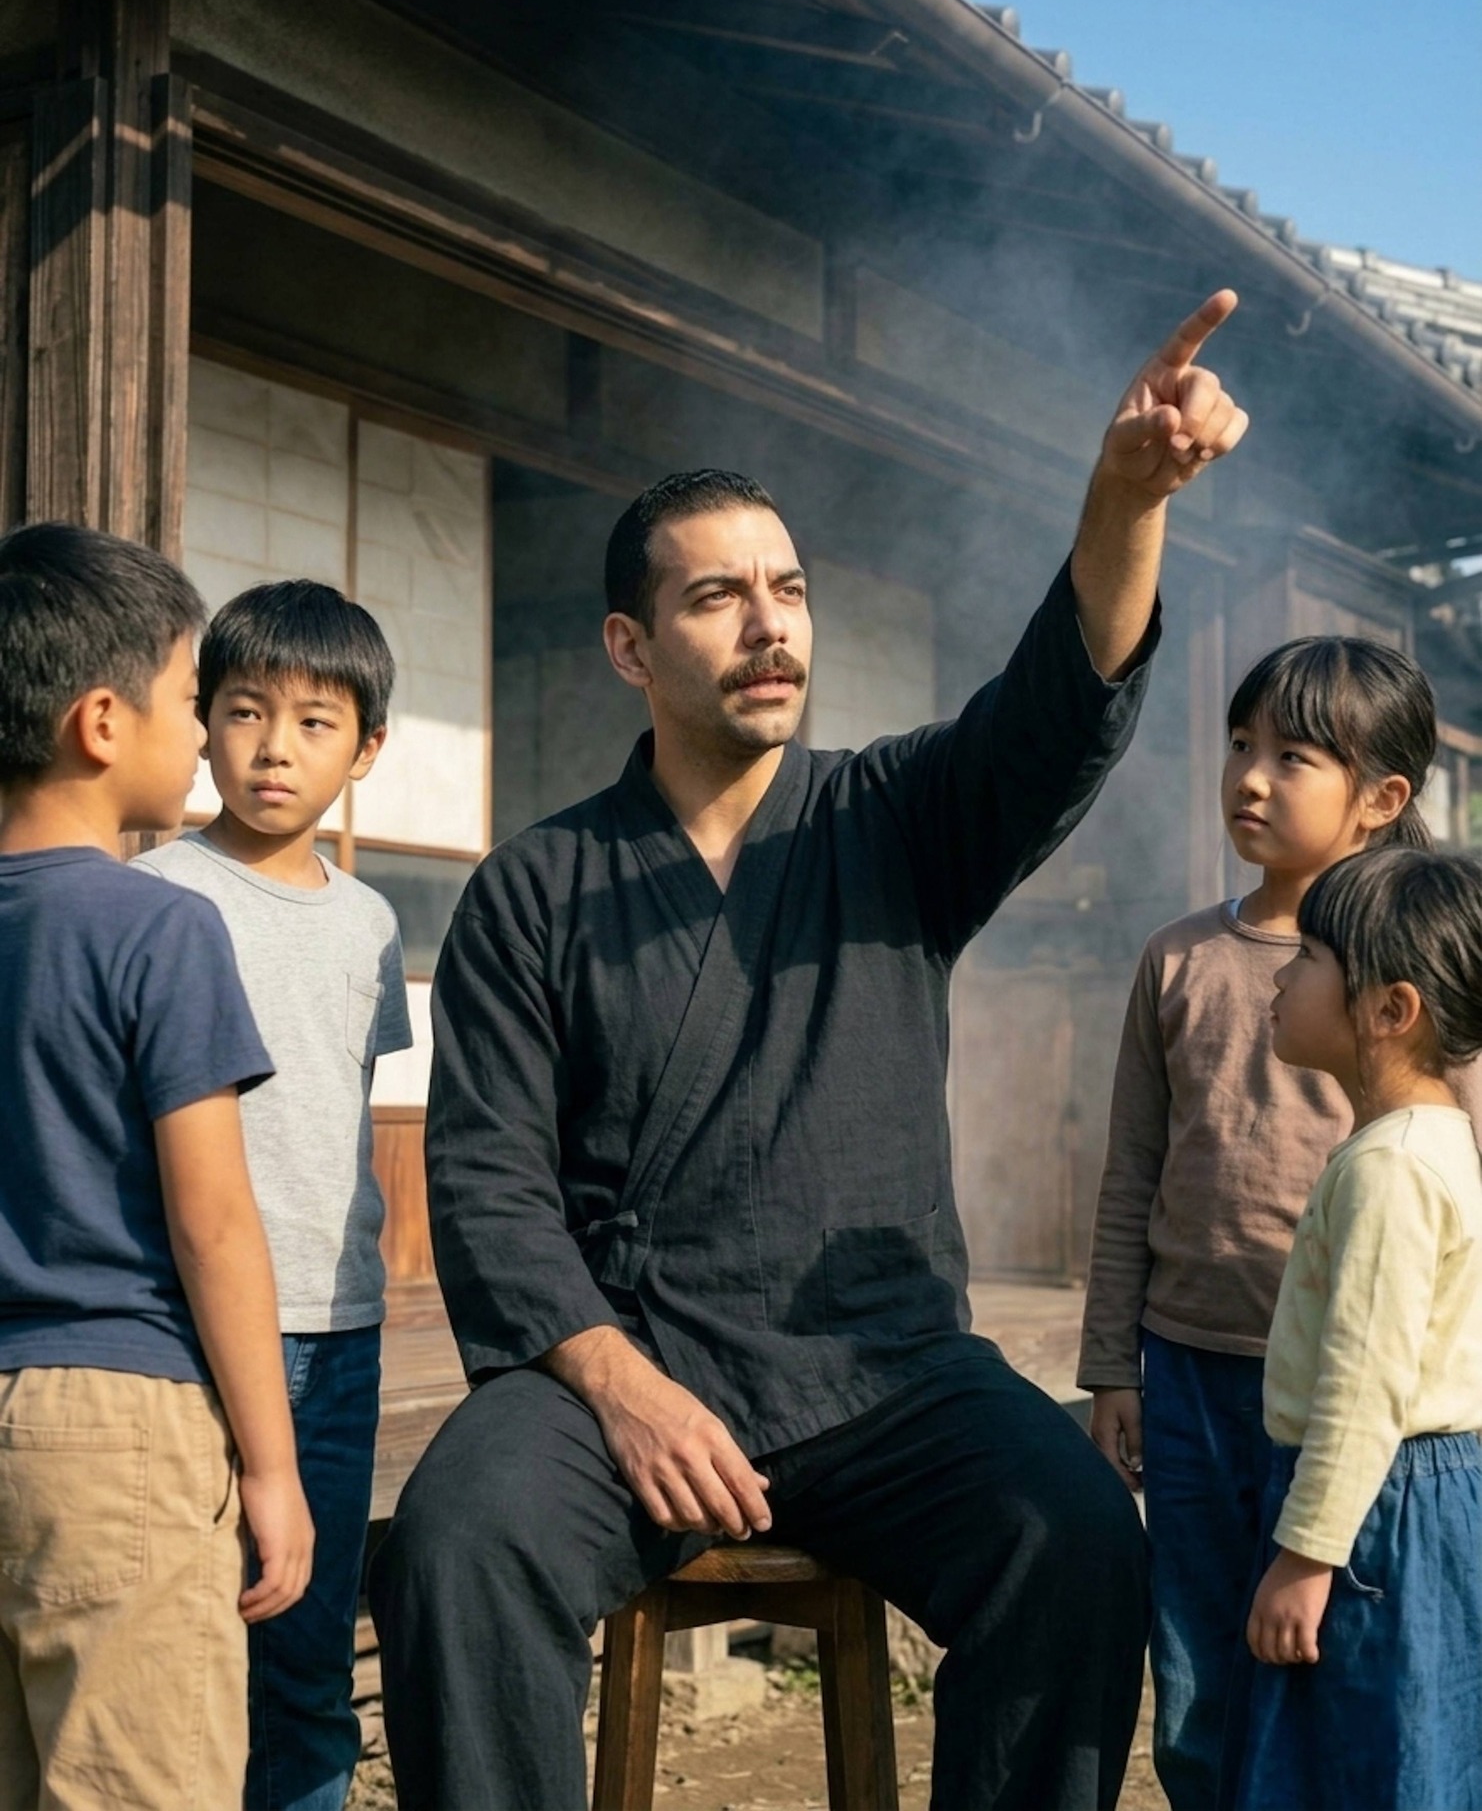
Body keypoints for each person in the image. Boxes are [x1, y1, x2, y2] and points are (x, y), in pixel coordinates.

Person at [371, 292, 1251, 1811]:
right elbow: (489, 1184)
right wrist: (613, 1381)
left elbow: (1054, 710)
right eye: (718, 598)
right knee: (457, 1536)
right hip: (628, 1365)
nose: (771, 623)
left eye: (787, 587)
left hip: (883, 1367)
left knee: (1076, 1538)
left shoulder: (890, 817)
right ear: (628, 644)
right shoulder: (539, 884)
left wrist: (1123, 498)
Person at [1076, 635, 1444, 1809]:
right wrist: (1109, 1364)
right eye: (1242, 744)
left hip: (1344, 1395)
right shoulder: (1179, 957)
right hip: (1186, 1371)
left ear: (1381, 799)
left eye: (1293, 756)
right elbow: (1133, 1167)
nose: (1249, 776)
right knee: (1192, 1677)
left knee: (1334, 1665)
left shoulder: (1406, 978)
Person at [0, 522, 313, 1810]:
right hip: (115, 1427)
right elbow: (216, 1225)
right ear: (100, 722)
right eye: (192, 701)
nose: (204, 736)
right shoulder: (160, 925)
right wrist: (274, 1466)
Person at [137, 579, 413, 1811]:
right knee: (185, 1646)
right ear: (200, 722)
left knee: (307, 1652)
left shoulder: (368, 922)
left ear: (367, 748)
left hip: (341, 1326)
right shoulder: (156, 895)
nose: (272, 747)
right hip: (187, 1327)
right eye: (245, 711)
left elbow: (347, 1109)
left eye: (313, 721)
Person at [1222, 848, 1482, 1811]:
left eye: (1311, 959)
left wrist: (1306, 1557)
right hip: (1406, 1501)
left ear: (1390, 1010)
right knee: (1413, 1757)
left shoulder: (1391, 1170)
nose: (1282, 977)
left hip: (1376, 1519)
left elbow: (1364, 1386)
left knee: (1367, 1763)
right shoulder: (1435, 1140)